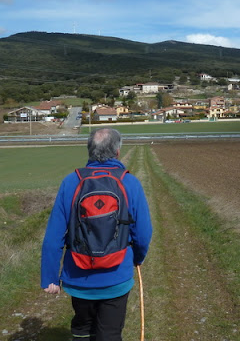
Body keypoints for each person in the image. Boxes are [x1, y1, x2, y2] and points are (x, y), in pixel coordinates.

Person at [41, 127, 152, 341]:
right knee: (109, 333)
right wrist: (137, 258)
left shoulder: (71, 182)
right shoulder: (130, 183)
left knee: (82, 329)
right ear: (118, 152)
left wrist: (50, 277)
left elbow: (53, 235)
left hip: (78, 277)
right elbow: (144, 233)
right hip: (117, 276)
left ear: (89, 151)